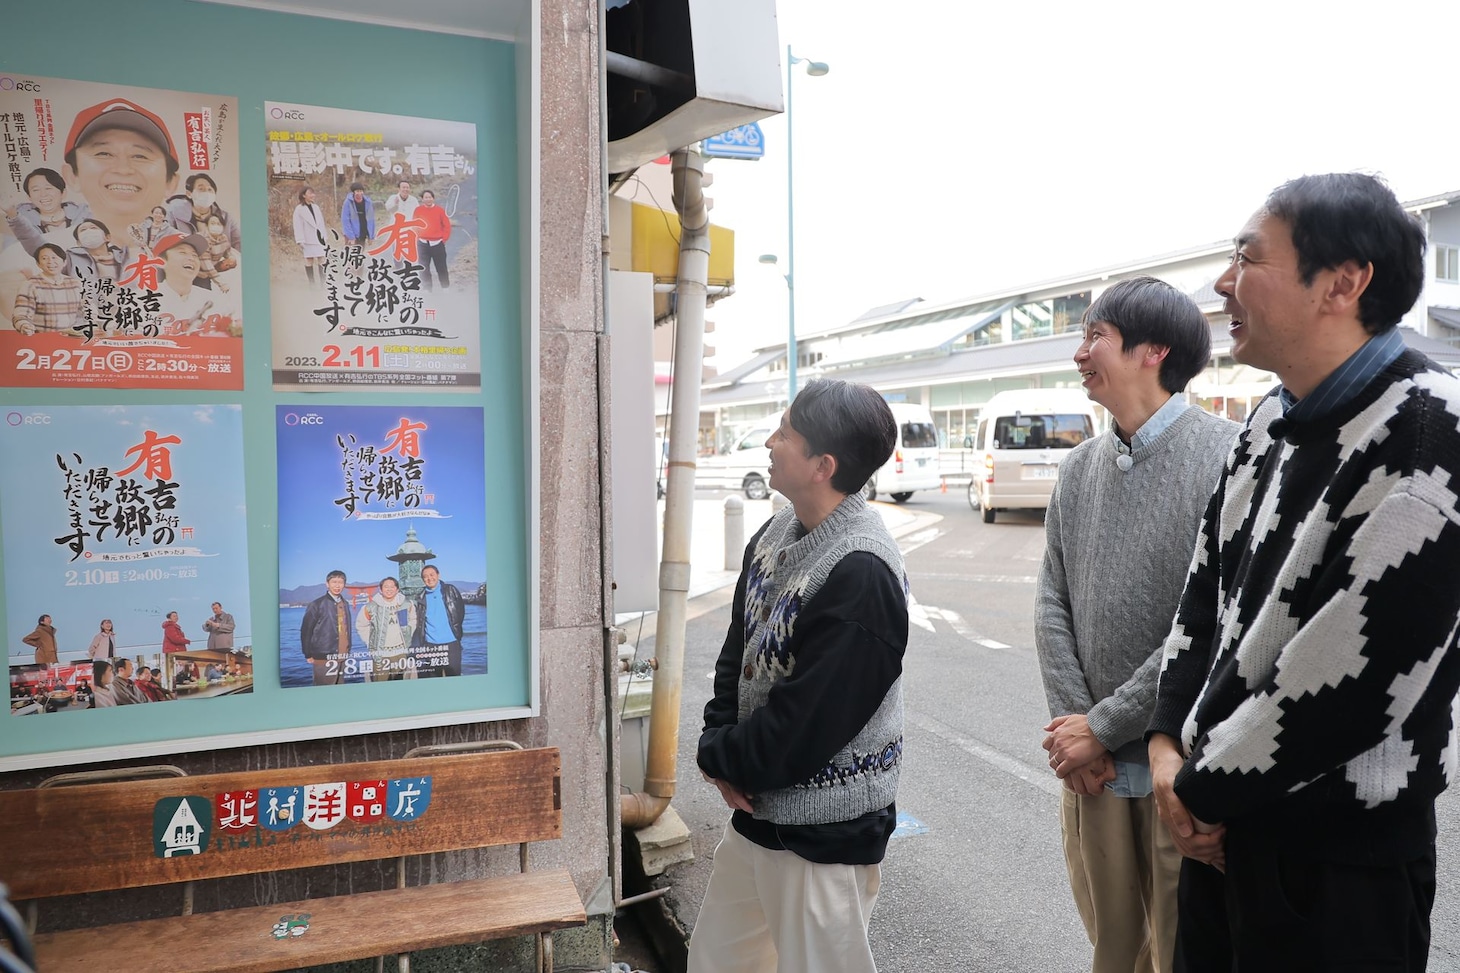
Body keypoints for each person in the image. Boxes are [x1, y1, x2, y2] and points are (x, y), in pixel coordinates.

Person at [1147, 173, 1460, 972]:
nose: (1223, 283)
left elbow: (1356, 678)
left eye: (1247, 258)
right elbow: (1202, 595)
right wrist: (1165, 747)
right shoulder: (1267, 417)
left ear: (1343, 283)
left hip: (1339, 868)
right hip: (1220, 835)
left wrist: (1195, 790)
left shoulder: (1432, 431)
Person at [1035, 277, 1239, 973]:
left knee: (1181, 951)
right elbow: (1052, 600)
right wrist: (1077, 731)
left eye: (1096, 336)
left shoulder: (1228, 456)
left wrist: (1103, 725)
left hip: (1176, 768)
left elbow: (1209, 623)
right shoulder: (1078, 467)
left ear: (1155, 351)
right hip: (1091, 773)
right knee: (1112, 947)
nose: (1079, 353)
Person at [688, 379, 909, 973]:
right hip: (757, 814)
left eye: (784, 433)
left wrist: (720, 758)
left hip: (824, 834)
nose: (769, 441)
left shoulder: (863, 573)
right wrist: (719, 745)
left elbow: (804, 725)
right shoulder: (775, 532)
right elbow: (738, 652)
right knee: (715, 961)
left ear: (822, 466)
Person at [61, 97, 180, 242]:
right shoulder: (48, 250)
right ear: (72, 176)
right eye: (104, 154)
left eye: (140, 156)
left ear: (170, 183)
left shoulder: (192, 248)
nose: (123, 169)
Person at [11, 244, 84, 336]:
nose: (50, 262)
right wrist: (25, 326)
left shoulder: (75, 283)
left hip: (71, 338)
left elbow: (87, 309)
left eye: (54, 257)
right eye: (44, 258)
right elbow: (20, 315)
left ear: (64, 262)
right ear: (38, 264)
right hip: (42, 339)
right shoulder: (30, 285)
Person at [152, 232, 217, 333]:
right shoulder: (141, 299)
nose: (191, 258)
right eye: (182, 252)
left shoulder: (214, 299)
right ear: (161, 262)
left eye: (195, 255)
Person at [356, 577, 417, 681]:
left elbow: (413, 619)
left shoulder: (406, 604)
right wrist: (370, 642)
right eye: (386, 587)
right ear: (380, 589)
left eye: (392, 587)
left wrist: (408, 635)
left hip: (400, 651)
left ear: (397, 589)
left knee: (400, 681)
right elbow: (361, 625)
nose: (389, 589)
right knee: (380, 682)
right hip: (380, 653)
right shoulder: (371, 606)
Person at [3, 168, 88, 241]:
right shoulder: (19, 221)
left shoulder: (84, 214)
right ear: (29, 197)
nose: (43, 194)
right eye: (36, 190)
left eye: (48, 188)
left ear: (63, 193)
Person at [300, 570, 353, 685]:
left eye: (340, 582)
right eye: (334, 582)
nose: (337, 586)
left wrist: (348, 649)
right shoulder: (316, 604)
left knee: (340, 689)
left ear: (344, 584)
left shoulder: (345, 603)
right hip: (324, 655)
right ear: (327, 584)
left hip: (343, 655)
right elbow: (306, 630)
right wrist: (307, 653)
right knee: (323, 689)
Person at [410, 564, 465, 678]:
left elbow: (460, 612)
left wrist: (456, 631)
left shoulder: (450, 590)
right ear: (422, 579)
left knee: (454, 676)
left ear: (438, 575)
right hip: (431, 645)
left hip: (451, 643)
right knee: (433, 677)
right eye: (425, 576)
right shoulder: (421, 596)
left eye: (432, 575)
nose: (429, 578)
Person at [166, 172, 241, 252]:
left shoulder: (226, 217)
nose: (206, 193)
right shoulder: (174, 212)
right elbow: (166, 240)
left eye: (210, 189)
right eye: (201, 189)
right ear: (189, 194)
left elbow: (239, 243)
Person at [291, 186, 328, 285]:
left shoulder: (316, 207)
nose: (313, 195)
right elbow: (297, 225)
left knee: (322, 259)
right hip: (307, 239)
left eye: (313, 193)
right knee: (309, 260)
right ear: (304, 195)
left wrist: (324, 237)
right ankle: (312, 284)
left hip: (319, 238)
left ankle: (323, 284)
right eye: (310, 193)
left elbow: (321, 223)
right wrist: (300, 240)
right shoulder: (299, 209)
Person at [415, 189, 451, 291]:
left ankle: (445, 287)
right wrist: (419, 236)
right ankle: (427, 288)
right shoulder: (418, 210)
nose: (428, 199)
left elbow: (447, 226)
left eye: (430, 197)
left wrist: (443, 239)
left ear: (433, 198)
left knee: (441, 267)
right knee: (423, 267)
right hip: (423, 244)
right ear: (422, 199)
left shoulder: (439, 210)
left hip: (437, 243)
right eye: (426, 197)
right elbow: (415, 224)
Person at [196, 214, 239, 293]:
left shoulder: (223, 238)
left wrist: (231, 258)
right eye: (212, 223)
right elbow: (207, 266)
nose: (216, 226)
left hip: (208, 274)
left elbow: (227, 251)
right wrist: (222, 283)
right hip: (195, 273)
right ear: (207, 225)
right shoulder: (201, 239)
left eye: (218, 224)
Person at [340, 182, 375, 251]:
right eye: (357, 191)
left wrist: (371, 236)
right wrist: (351, 236)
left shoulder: (368, 202)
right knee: (351, 254)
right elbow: (345, 220)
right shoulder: (348, 202)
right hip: (352, 233)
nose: (359, 193)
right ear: (353, 192)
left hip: (362, 233)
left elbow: (371, 220)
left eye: (361, 191)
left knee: (360, 254)